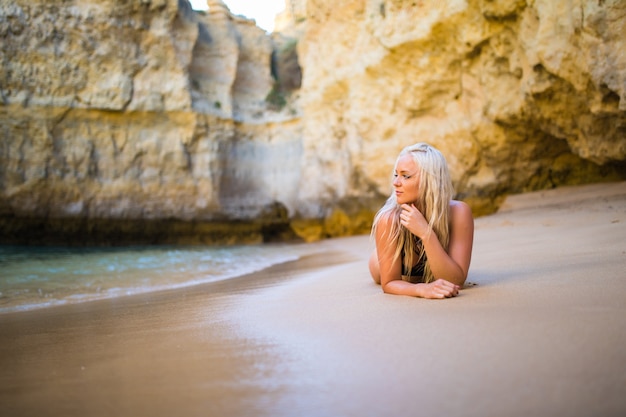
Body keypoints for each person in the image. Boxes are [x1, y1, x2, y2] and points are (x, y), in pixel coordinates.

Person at [369, 142, 474, 299]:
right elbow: (389, 283)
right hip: (381, 261)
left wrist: (425, 233)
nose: (396, 182)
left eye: (406, 176)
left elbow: (456, 280)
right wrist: (422, 289)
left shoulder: (459, 213)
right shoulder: (389, 220)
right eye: (396, 174)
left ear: (430, 180)